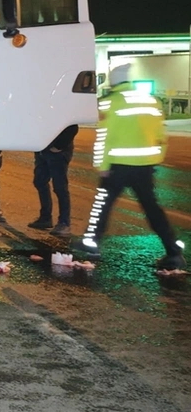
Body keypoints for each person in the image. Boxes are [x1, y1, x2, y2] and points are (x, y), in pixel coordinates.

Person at [77, 63, 184, 270]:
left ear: (113, 82)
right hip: (145, 166)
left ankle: (92, 243)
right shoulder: (151, 101)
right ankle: (173, 251)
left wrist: (102, 165)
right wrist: (155, 159)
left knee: (102, 205)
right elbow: (162, 136)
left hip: (118, 166)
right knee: (152, 209)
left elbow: (104, 137)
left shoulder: (111, 102)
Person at [27, 123, 80, 237]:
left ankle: (64, 223)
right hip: (43, 149)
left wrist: (59, 146)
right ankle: (45, 218)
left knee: (60, 187)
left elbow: (72, 126)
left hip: (58, 152)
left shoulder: (60, 106)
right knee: (40, 181)